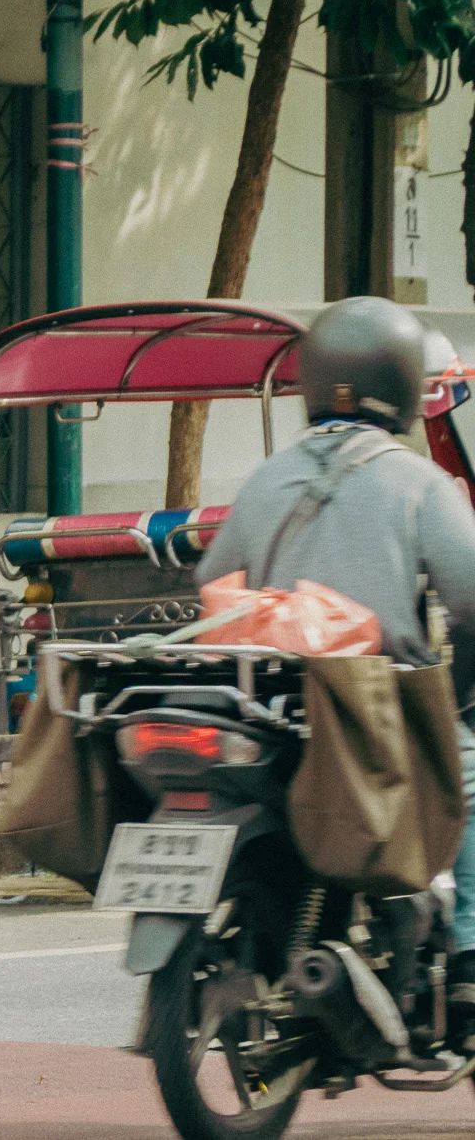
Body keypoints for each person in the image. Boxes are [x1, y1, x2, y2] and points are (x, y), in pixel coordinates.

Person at [194, 295, 475, 1032]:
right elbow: (473, 596)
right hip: (376, 716)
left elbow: (213, 583)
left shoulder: (267, 478)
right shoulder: (417, 483)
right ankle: (471, 957)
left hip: (270, 713)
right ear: (405, 382)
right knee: (469, 773)